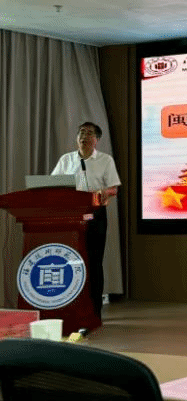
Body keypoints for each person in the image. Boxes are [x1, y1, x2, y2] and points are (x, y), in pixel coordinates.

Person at [51, 122, 121, 318]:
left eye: (89, 133)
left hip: (95, 214)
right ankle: (71, 308)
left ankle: (94, 311)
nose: (84, 136)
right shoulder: (66, 160)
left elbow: (114, 188)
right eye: (81, 132)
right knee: (71, 260)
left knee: (93, 261)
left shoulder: (105, 160)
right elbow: (52, 184)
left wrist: (104, 192)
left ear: (96, 140)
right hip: (70, 215)